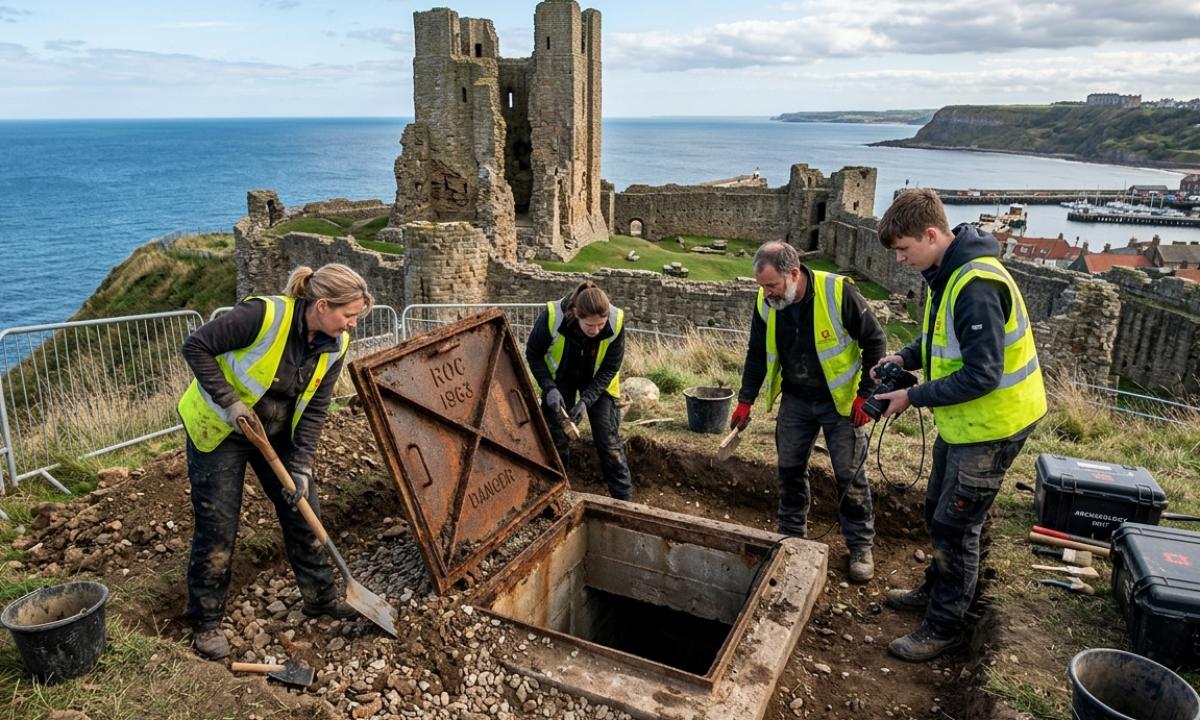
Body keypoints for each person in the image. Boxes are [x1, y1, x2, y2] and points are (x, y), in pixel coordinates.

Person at [872, 189, 1046, 662]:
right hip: (963, 424)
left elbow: (982, 374)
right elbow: (941, 340)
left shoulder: (975, 284)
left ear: (931, 234)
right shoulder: (947, 272)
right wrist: (905, 357)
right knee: (937, 509)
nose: (902, 260)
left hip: (993, 425)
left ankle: (944, 626)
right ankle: (935, 590)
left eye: (905, 250)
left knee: (957, 526)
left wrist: (912, 395)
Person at [177, 263, 373, 660]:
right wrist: (229, 402)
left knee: (303, 510)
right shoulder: (263, 316)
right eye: (348, 315)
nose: (352, 325)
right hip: (221, 430)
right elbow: (195, 346)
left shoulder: (336, 344)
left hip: (277, 434)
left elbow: (317, 407)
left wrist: (301, 464)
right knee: (218, 527)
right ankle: (206, 622)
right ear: (321, 305)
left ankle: (321, 598)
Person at [733, 241, 887, 583]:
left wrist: (867, 396)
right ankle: (792, 536)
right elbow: (756, 353)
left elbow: (875, 342)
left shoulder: (837, 293)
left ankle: (860, 546)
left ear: (794, 273)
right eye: (762, 286)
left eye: (772, 285)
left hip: (841, 403)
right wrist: (745, 400)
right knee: (789, 469)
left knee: (849, 475)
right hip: (796, 400)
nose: (768, 294)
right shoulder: (766, 302)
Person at [525, 280, 632, 501]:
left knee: (607, 439)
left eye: (600, 325)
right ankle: (557, 495)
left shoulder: (615, 321)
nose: (596, 331)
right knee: (556, 438)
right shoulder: (553, 317)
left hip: (597, 381)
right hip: (561, 378)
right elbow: (534, 354)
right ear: (575, 313)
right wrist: (549, 387)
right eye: (589, 326)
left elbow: (611, 366)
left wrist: (585, 401)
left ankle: (624, 501)